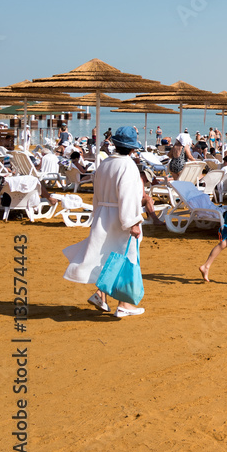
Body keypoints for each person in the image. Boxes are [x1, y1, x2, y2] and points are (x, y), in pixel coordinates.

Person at [62, 126, 146, 318]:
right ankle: (124, 304)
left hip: (103, 213)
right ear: (132, 148)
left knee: (105, 255)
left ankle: (101, 294)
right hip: (120, 217)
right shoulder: (128, 165)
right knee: (126, 257)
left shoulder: (105, 163)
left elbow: (97, 193)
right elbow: (127, 196)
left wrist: (97, 213)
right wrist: (132, 222)